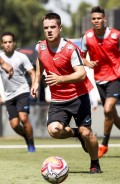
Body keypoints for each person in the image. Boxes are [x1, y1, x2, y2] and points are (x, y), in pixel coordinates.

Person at [30, 12, 101, 173]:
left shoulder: (70, 49)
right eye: (46, 28)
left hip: (78, 97)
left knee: (87, 133)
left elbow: (81, 74)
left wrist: (60, 79)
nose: (49, 31)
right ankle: (76, 132)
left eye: (53, 27)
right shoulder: (40, 46)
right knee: (54, 130)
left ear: (60, 28)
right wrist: (35, 82)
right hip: (58, 100)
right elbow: (40, 61)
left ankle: (95, 163)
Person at [81, 6, 120, 158]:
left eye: (99, 18)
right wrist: (86, 63)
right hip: (99, 79)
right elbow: (80, 57)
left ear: (104, 19)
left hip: (116, 77)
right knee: (112, 115)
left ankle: (104, 144)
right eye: (93, 19)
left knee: (107, 110)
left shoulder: (116, 35)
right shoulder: (87, 37)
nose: (96, 21)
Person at [0, 32, 36, 152]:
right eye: (5, 42)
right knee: (15, 125)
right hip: (8, 94)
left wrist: (34, 85)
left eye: (10, 42)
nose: (8, 44)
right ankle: (27, 136)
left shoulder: (21, 57)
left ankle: (31, 143)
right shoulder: (0, 58)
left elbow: (32, 72)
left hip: (22, 91)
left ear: (14, 43)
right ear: (2, 44)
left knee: (24, 118)